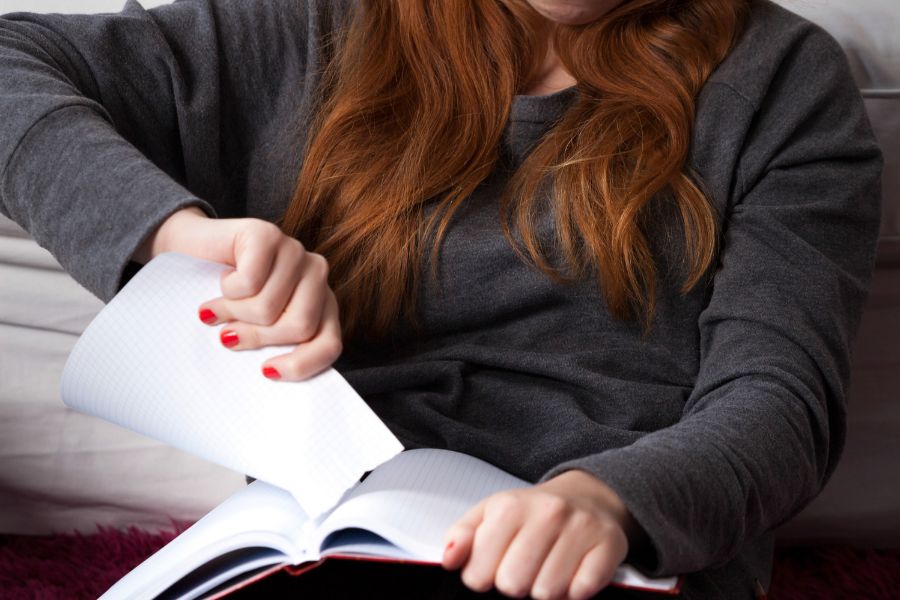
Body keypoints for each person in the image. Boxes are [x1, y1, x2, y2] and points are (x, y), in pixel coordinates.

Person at [0, 0, 882, 598]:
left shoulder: (780, 78)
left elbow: (780, 399)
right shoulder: (314, 28)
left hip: (614, 559)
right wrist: (173, 235)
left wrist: (603, 502)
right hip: (326, 548)